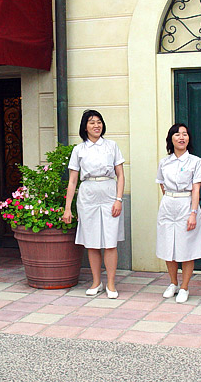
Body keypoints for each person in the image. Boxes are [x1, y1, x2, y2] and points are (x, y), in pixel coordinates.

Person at [62, 110, 125, 299]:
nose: (96, 126)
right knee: (92, 242)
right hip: (88, 194)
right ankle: (96, 282)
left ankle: (111, 284)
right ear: (85, 127)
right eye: (92, 122)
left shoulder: (112, 146)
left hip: (109, 192)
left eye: (99, 122)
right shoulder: (79, 150)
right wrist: (67, 208)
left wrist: (118, 199)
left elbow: (120, 175)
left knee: (110, 241)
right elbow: (73, 181)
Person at [155, 123, 201, 304]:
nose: (181, 137)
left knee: (187, 247)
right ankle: (173, 283)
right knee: (168, 245)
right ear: (171, 139)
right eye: (177, 134)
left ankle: (185, 286)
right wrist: (170, 200)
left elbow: (196, 189)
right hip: (168, 204)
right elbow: (161, 184)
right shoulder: (164, 162)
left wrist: (192, 212)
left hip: (187, 204)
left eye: (185, 134)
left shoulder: (195, 161)